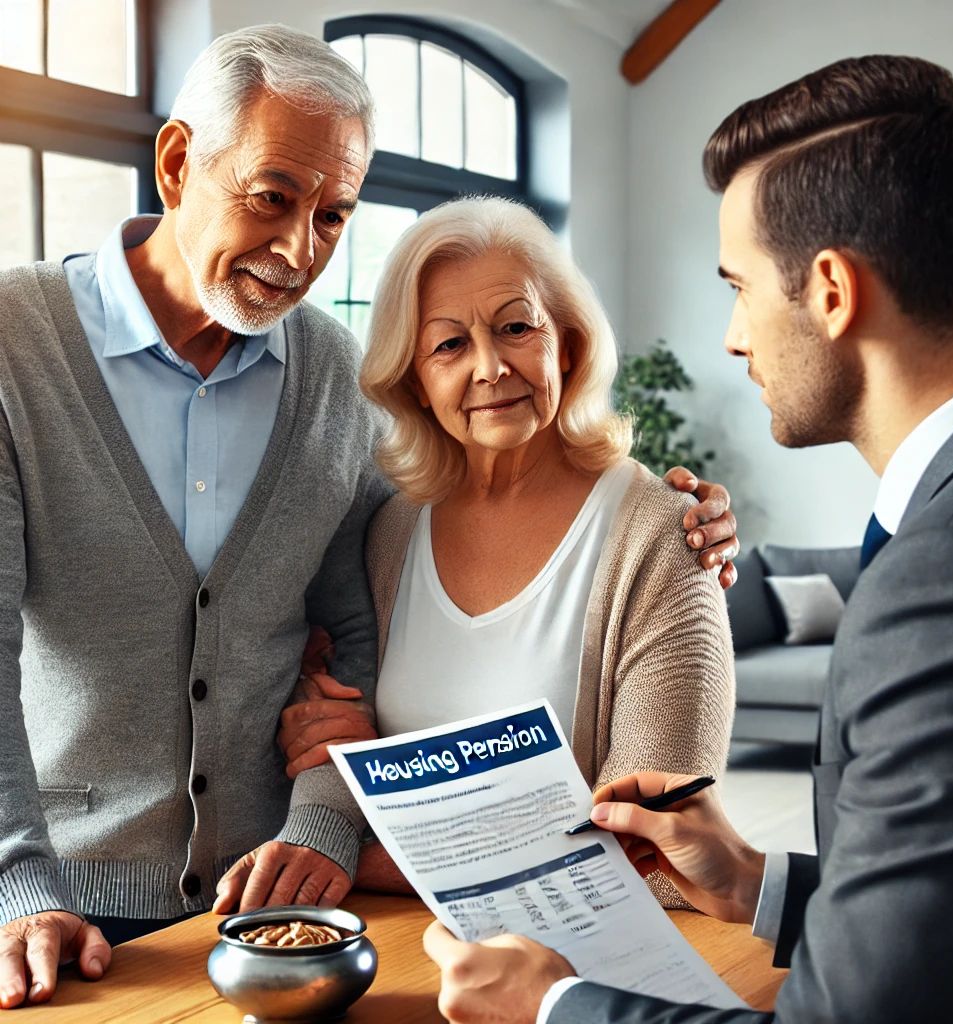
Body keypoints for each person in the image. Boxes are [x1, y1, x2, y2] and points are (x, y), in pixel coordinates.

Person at [0, 25, 740, 1010]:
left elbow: (341, 641)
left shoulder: (333, 379)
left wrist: (320, 830)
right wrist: (18, 885)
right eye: (273, 197)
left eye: (334, 215)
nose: (299, 249)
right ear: (176, 163)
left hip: (293, 912)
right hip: (64, 912)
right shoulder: (16, 344)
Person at [421, 54, 953, 1024]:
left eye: (739, 287)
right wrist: (754, 879)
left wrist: (553, 1004)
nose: (735, 336)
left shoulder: (951, 571)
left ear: (829, 290)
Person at [277, 197, 738, 905]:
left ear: (569, 345)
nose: (490, 367)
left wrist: (375, 863)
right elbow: (346, 732)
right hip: (399, 952)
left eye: (516, 327)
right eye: (449, 344)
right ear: (416, 384)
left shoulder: (662, 538)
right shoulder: (390, 531)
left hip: (580, 975)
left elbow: (664, 852)